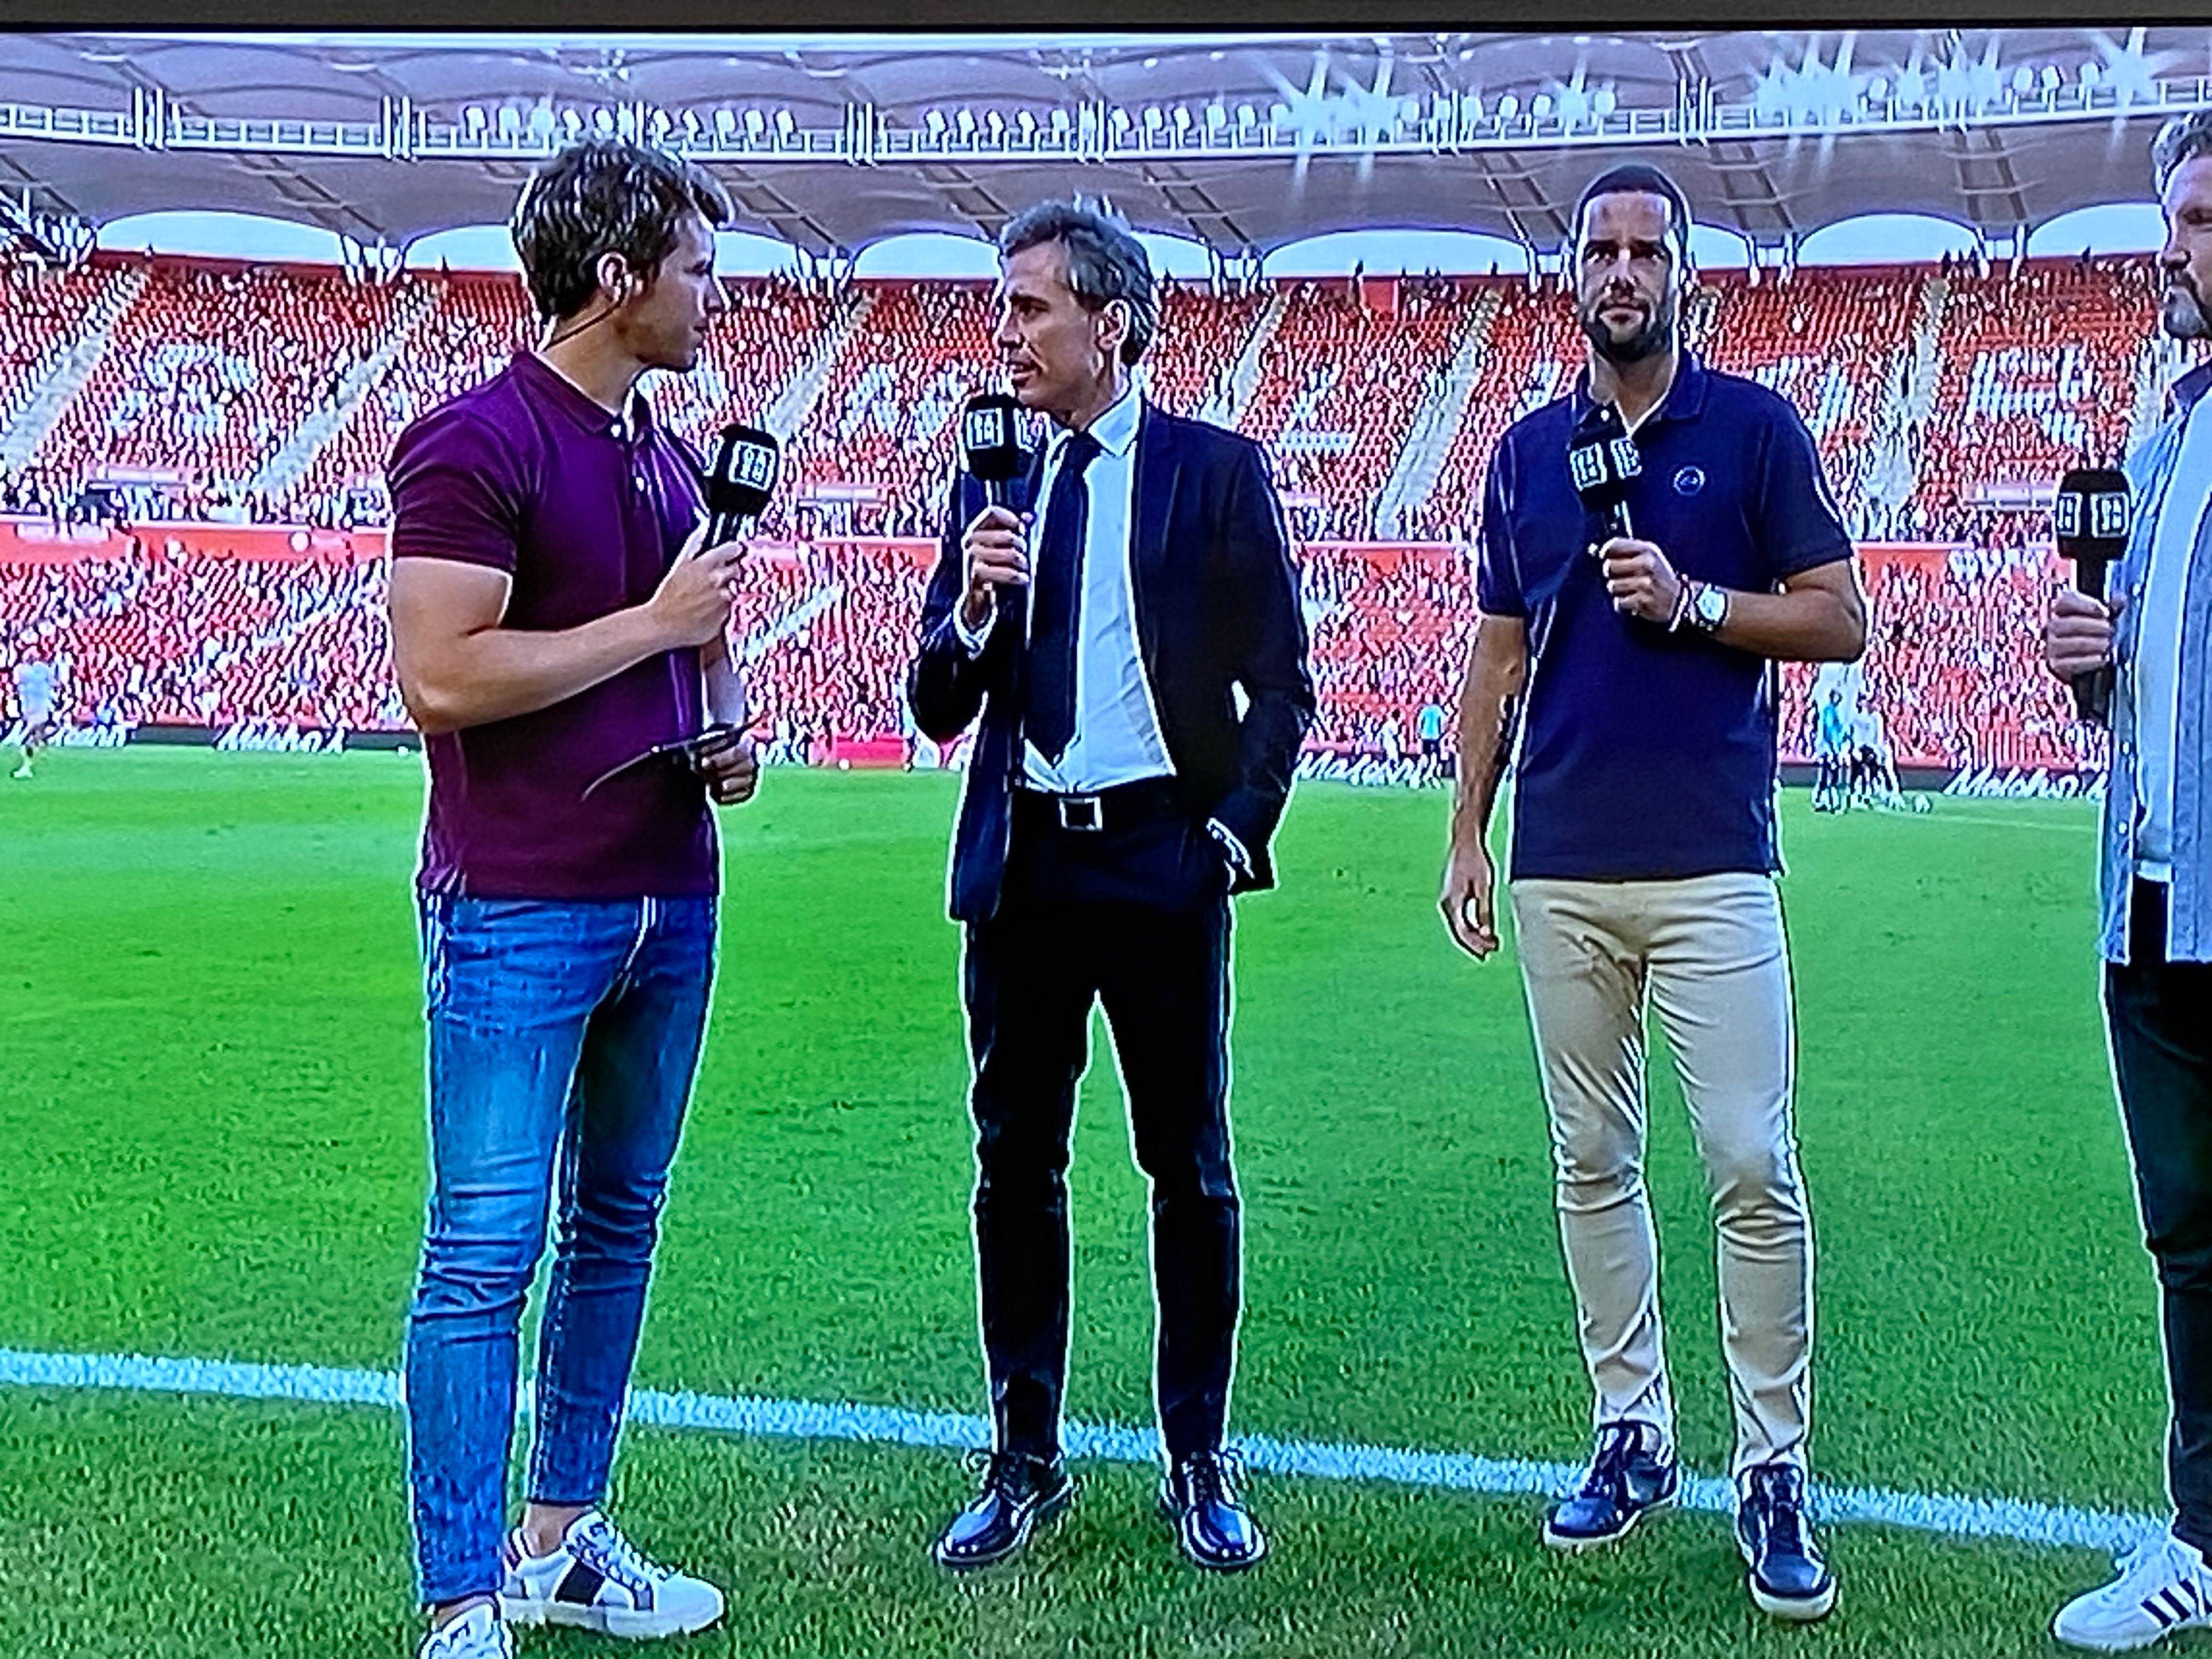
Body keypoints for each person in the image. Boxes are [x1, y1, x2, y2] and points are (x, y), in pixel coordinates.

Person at [1438, 162, 1867, 1622]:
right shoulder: (1520, 453)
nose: (1623, 271)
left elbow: (1842, 616)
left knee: (1751, 1160)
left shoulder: (1753, 431)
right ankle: (1633, 1431)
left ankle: (1775, 1463)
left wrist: (1699, 604)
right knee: (1590, 1164)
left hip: (1712, 865)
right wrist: (1465, 833)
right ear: (1572, 275)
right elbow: (1499, 653)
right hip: (1560, 861)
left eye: (1648, 251)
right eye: (1600, 249)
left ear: (1686, 274)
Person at [383, 139, 759, 1659]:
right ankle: (462, 1597)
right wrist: (653, 623)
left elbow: (666, 648)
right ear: (617, 279)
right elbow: (439, 675)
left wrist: (713, 714)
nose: (713, 297)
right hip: (521, 903)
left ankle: (560, 1535)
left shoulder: (661, 451)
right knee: (483, 1248)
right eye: (695, 271)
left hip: (669, 890)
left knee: (619, 1224)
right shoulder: (472, 442)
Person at [908, 199, 1313, 1575]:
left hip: (1160, 856)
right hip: (1024, 860)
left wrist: (1230, 834)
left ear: (1112, 324)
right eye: (1002, 307)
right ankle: (1024, 1456)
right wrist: (969, 608)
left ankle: (1197, 1458)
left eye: (1029, 308)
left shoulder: (1214, 472)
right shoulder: (991, 480)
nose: (1004, 333)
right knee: (1013, 1163)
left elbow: (1283, 685)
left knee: (1186, 1167)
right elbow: (934, 705)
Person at [2044, 108, 2212, 1655]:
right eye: (2178, 220)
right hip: (2157, 899)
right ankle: (2205, 1533)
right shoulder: (2157, 449)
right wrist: (2089, 670)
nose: (2182, 249)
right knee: (2193, 1236)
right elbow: (2149, 697)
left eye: (2209, 220)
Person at [10, 648, 59, 779]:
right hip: (32, 710)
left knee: (25, 740)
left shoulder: (36, 670)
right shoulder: (27, 670)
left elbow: (55, 684)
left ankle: (27, 767)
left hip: (39, 710)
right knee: (33, 739)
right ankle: (29, 765)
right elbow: (55, 683)